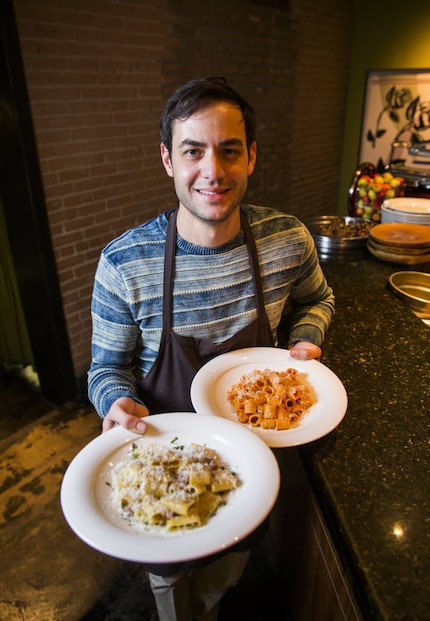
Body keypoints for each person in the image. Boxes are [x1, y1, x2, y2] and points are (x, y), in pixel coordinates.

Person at [88, 77, 335, 621]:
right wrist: (114, 402)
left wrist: (304, 339)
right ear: (168, 160)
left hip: (253, 466)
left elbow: (318, 299)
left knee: (233, 566)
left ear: (251, 157)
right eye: (193, 151)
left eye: (229, 151)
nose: (213, 172)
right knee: (172, 587)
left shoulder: (288, 240)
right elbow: (107, 367)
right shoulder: (125, 263)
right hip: (164, 469)